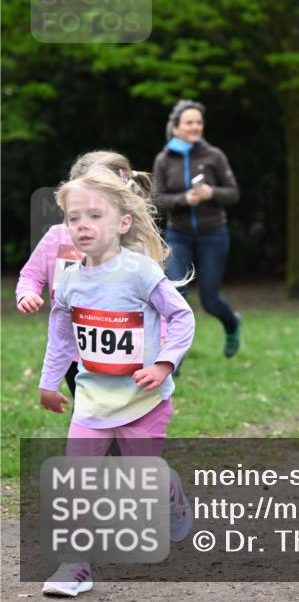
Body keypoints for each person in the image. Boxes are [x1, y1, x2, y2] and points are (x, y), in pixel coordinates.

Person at [37, 166, 195, 596]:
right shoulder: (68, 280)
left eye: (94, 216)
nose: (82, 226)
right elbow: (61, 337)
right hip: (91, 401)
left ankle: (170, 492)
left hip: (143, 401)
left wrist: (163, 363)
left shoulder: (140, 272)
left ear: (123, 223)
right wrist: (50, 383)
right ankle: (75, 565)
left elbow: (181, 316)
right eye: (74, 218)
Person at [16, 152, 140, 396]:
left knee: (120, 415)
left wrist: (163, 338)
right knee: (87, 411)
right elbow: (30, 275)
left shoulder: (129, 240)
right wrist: (27, 294)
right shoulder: (56, 236)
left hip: (122, 347)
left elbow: (156, 295)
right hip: (73, 348)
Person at [153, 99, 242, 360]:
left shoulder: (214, 155)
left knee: (209, 300)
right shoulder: (163, 159)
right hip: (178, 236)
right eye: (189, 122)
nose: (195, 126)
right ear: (176, 128)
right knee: (174, 293)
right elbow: (157, 199)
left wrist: (211, 192)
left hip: (213, 234)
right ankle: (172, 358)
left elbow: (233, 193)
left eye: (198, 122)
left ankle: (232, 324)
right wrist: (184, 200)